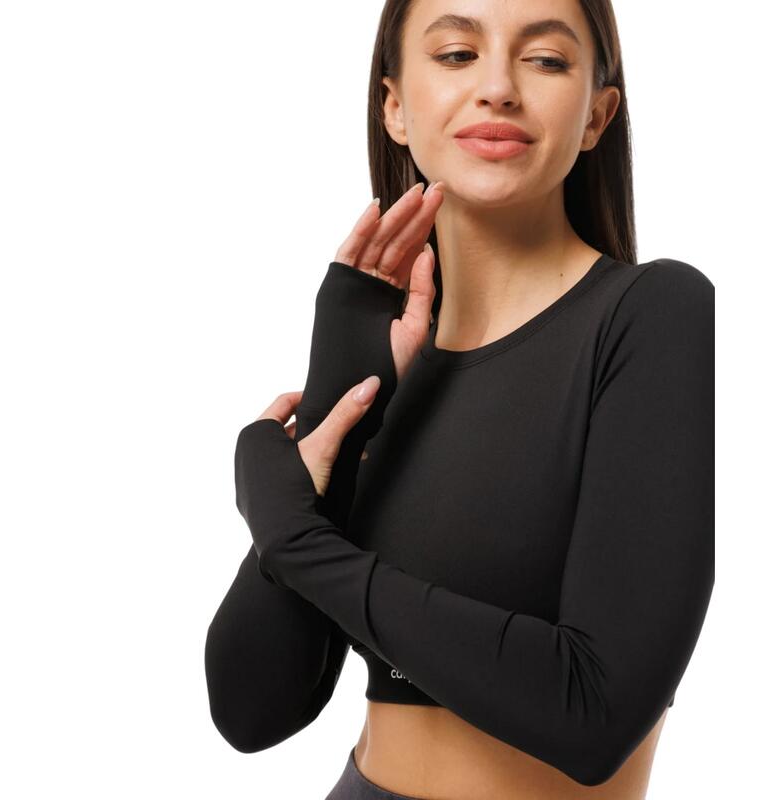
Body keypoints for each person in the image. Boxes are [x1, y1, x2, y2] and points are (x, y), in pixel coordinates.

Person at [205, 0, 715, 797]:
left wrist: (293, 538)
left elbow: (593, 714)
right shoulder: (392, 361)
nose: (498, 87)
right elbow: (251, 712)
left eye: (545, 60)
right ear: (394, 107)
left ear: (596, 116)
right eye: (455, 54)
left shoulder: (649, 316)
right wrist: (336, 410)